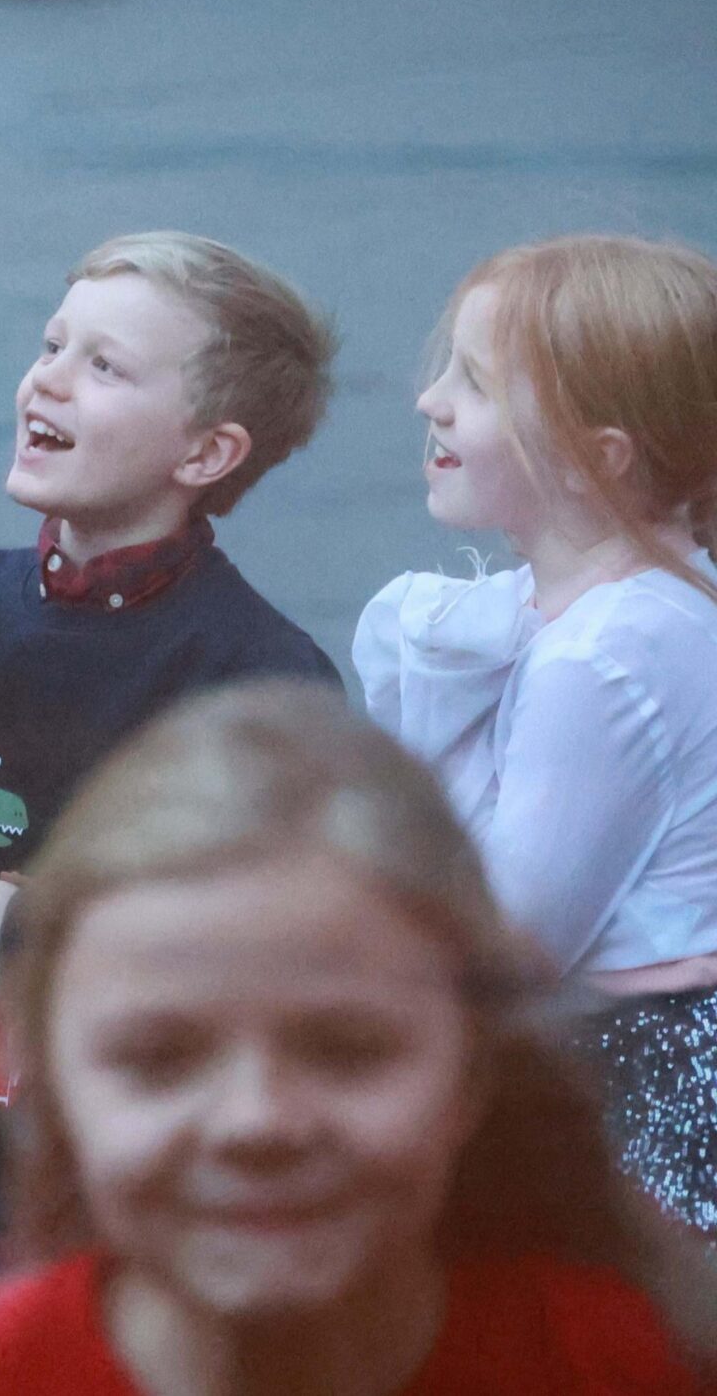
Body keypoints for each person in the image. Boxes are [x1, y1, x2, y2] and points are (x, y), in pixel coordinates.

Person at [0, 683, 717, 1395]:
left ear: (472, 1067)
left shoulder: (643, 1366)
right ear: (47, 1084)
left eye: (347, 1050)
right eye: (160, 1059)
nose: (257, 1121)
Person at [0, 232, 341, 1300]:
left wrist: (42, 937)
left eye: (105, 366)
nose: (46, 376)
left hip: (150, 1203)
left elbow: (275, 948)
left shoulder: (255, 676)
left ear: (204, 454)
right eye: (53, 343)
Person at [354, 234, 717, 1236]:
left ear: (596, 459)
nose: (429, 399)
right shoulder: (661, 606)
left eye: (472, 382)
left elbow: (501, 944)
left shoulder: (595, 661)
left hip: (644, 1081)